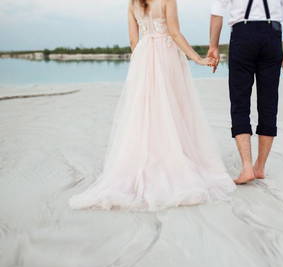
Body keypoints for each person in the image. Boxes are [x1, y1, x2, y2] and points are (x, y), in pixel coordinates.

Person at [69, 0, 235, 212]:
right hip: (166, 56)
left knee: (146, 109)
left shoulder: (132, 3)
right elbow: (175, 34)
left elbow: (133, 40)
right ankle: (172, 158)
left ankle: (148, 158)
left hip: (144, 56)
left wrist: (141, 60)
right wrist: (197, 58)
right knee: (172, 106)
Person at [208, 0, 283, 184]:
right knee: (269, 103)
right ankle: (260, 167)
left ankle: (247, 167)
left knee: (239, 102)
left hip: (242, 35)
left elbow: (217, 12)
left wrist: (213, 47)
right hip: (272, 36)